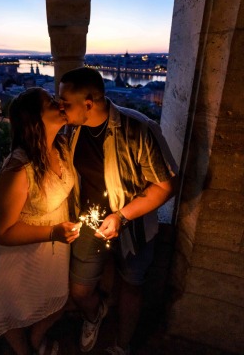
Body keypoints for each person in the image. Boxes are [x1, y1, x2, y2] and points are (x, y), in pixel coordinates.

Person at [58, 67, 177, 355]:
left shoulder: (138, 129)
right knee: (80, 291)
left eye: (65, 102)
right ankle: (94, 314)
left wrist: (122, 216)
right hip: (88, 223)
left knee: (132, 286)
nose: (60, 108)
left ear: (88, 103)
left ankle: (121, 345)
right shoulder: (71, 129)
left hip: (134, 227)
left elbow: (166, 186)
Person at [0, 88, 81, 355]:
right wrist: (54, 231)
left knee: (54, 302)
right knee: (10, 309)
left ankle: (36, 338)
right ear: (35, 119)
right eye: (51, 102)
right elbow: (0, 230)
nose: (59, 103)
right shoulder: (19, 169)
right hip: (15, 256)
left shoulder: (63, 147)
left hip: (49, 253)